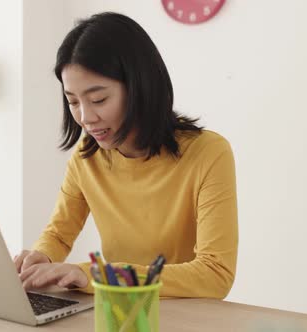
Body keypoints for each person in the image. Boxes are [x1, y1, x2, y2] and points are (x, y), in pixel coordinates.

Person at [14, 12, 238, 299]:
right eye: (72, 101)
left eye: (98, 100)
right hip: (118, 311)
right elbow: (58, 234)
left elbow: (214, 275)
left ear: (140, 86)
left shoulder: (208, 153)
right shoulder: (86, 160)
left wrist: (95, 275)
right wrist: (41, 259)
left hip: (185, 315)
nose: (85, 117)